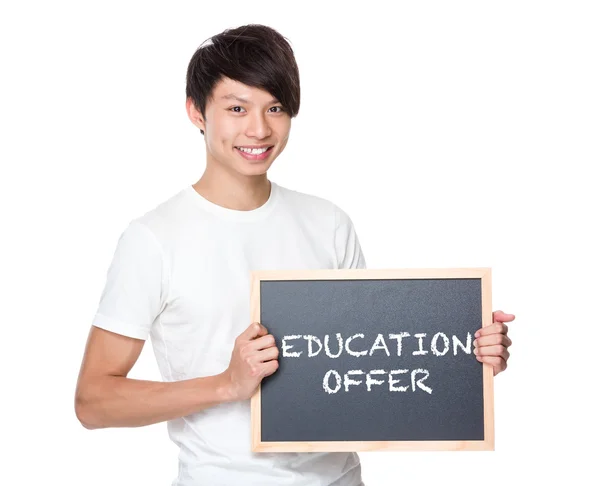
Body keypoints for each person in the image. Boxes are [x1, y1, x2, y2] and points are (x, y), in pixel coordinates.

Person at [74, 23, 515, 486]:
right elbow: (93, 401)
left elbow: (367, 367)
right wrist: (226, 384)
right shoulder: (153, 239)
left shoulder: (329, 224)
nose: (259, 129)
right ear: (196, 112)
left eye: (276, 108)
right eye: (237, 108)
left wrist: (460, 358)